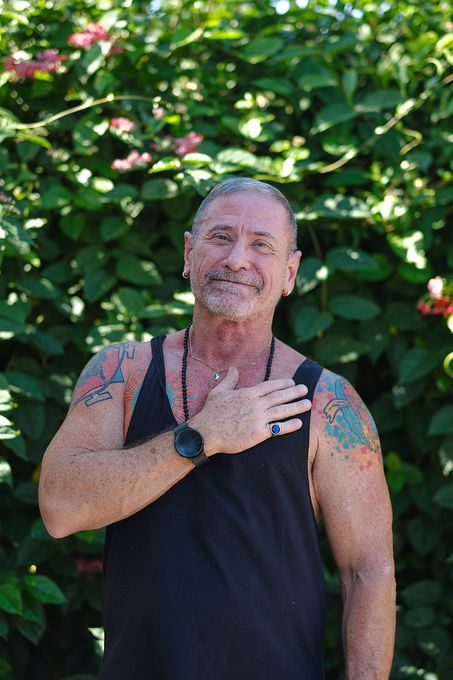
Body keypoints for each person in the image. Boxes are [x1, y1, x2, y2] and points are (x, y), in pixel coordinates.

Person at [39, 177, 395, 679]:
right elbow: (60, 508)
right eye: (221, 237)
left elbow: (369, 572)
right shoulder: (124, 373)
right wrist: (200, 436)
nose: (236, 259)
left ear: (290, 272)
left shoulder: (328, 403)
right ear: (190, 253)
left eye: (262, 245)